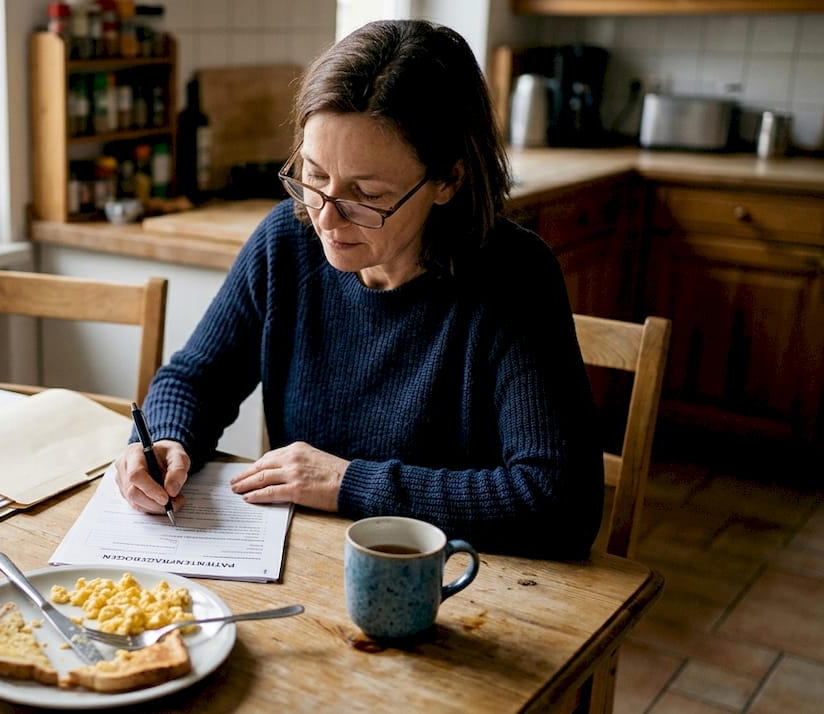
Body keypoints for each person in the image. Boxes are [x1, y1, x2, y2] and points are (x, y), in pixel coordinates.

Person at [114, 19, 604, 558]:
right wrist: (163, 439)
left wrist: (348, 483)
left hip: (454, 583)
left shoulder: (513, 277)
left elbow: (561, 503)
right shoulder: (287, 240)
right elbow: (195, 378)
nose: (325, 217)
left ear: (448, 181)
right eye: (315, 175)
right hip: (307, 565)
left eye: (365, 194)